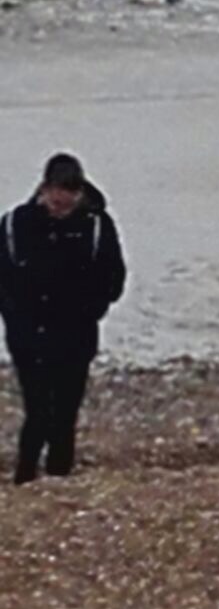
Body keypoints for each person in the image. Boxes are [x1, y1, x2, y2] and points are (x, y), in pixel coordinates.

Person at [0, 154, 126, 485]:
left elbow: (113, 278)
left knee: (66, 411)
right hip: (28, 335)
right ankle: (25, 475)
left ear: (80, 193)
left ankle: (59, 474)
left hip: (75, 334)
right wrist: (15, 317)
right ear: (44, 189)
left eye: (69, 199)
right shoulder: (15, 224)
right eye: (56, 197)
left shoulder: (96, 226)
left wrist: (91, 310)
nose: (61, 205)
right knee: (37, 409)